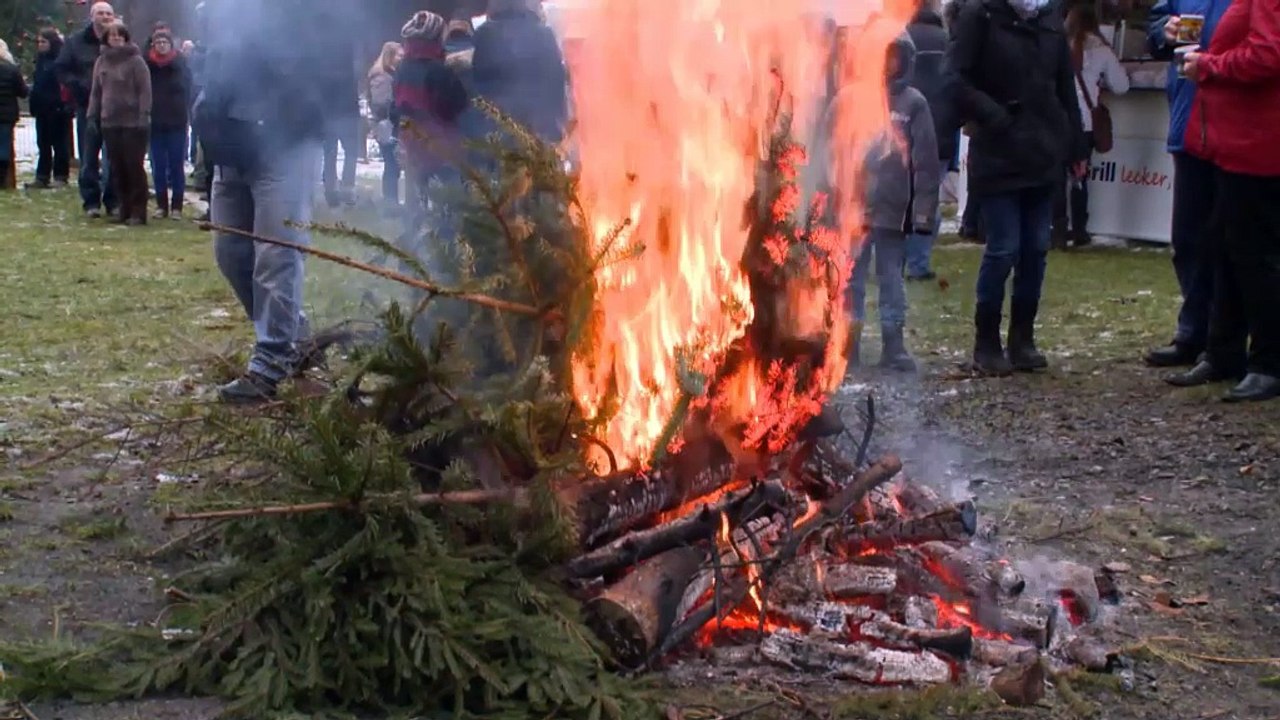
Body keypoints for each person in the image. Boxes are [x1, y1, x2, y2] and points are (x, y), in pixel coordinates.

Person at [197, 0, 354, 402]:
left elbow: (321, 68)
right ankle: (295, 339)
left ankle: (272, 360)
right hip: (230, 147)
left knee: (277, 253)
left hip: (284, 142)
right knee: (230, 252)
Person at [947, 0, 1088, 376]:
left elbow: (1065, 87)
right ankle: (987, 342)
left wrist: (1075, 145)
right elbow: (955, 79)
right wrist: (994, 116)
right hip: (998, 151)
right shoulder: (980, 14)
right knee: (1004, 249)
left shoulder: (1049, 17)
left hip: (1043, 152)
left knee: (1035, 250)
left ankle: (1022, 339)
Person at [1169, 0, 1280, 402]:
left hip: (1260, 147)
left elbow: (1268, 56)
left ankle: (1268, 363)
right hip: (1235, 146)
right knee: (1224, 248)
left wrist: (1210, 65)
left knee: (1255, 256)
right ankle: (1224, 352)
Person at [1143, 0, 1232, 368]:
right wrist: (1163, 30)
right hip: (1189, 122)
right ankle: (1193, 332)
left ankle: (1224, 340)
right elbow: (1157, 25)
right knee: (1188, 239)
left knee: (1231, 244)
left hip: (1234, 130)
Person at [849, 34, 941, 372]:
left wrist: (921, 214)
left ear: (906, 61)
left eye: (895, 58)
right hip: (853, 212)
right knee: (850, 284)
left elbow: (927, 163)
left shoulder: (913, 103)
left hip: (893, 212)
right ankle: (847, 347)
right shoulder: (852, 98)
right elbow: (830, 150)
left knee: (891, 281)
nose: (889, 66)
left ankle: (893, 345)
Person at [1055, 4, 1128, 249]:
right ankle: (1079, 228)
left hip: (1057, 118)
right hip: (1084, 121)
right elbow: (1121, 86)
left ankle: (1057, 226)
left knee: (1055, 176)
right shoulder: (1100, 50)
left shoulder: (1056, 46)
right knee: (1080, 175)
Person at [904, 0, 956, 281]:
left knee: (900, 198)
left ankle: (895, 259)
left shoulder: (900, 38)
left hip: (901, 131)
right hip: (940, 134)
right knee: (929, 199)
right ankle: (919, 263)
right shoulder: (947, 41)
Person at [472, 0, 568, 144]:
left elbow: (479, 81)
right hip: (541, 125)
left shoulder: (484, 35)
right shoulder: (543, 34)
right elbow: (557, 79)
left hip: (500, 126)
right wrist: (559, 119)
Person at [56, 1, 119, 218]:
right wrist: (79, 88)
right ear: (92, 16)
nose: (105, 17)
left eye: (108, 13)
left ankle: (113, 200)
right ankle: (91, 201)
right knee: (89, 157)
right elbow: (62, 69)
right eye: (100, 13)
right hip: (88, 107)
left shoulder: (119, 40)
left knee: (114, 158)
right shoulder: (75, 42)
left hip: (116, 110)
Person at [394, 11, 469, 191]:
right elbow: (454, 106)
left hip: (410, 142)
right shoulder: (438, 70)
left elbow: (395, 107)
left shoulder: (402, 68)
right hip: (440, 144)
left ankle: (415, 218)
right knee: (448, 196)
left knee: (418, 193)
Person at [88, 21, 152, 225]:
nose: (115, 38)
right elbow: (96, 92)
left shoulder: (136, 61)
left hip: (133, 123)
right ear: (106, 38)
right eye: (111, 35)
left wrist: (144, 114)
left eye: (119, 35)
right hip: (109, 121)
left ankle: (138, 211)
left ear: (126, 37)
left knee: (134, 166)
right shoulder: (101, 61)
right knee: (116, 167)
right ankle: (123, 208)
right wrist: (92, 114)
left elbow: (145, 90)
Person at [145, 28, 192, 219]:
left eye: (165, 42)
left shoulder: (181, 64)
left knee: (176, 165)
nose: (162, 46)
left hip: (177, 122)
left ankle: (177, 207)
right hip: (155, 122)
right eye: (158, 43)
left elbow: (188, 89)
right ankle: (161, 205)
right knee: (158, 165)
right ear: (153, 45)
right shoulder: (147, 65)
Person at [27, 30, 72, 189]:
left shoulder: (59, 61)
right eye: (39, 42)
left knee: (60, 143)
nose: (40, 45)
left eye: (44, 42)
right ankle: (42, 175)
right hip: (42, 108)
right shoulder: (40, 61)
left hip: (58, 108)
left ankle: (61, 175)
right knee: (43, 143)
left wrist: (64, 104)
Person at [321, 35, 361, 208]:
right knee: (350, 152)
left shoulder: (324, 71)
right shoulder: (349, 73)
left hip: (330, 114)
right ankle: (347, 189)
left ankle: (331, 189)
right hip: (346, 114)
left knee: (330, 154)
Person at [367, 41, 403, 208]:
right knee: (391, 165)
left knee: (394, 165)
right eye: (399, 55)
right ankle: (390, 202)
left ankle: (392, 202)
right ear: (390, 56)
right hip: (385, 125)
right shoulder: (381, 76)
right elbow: (380, 103)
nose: (401, 59)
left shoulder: (391, 74)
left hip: (391, 123)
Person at [0, 39, 28, 188]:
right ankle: (4, 179)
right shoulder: (11, 69)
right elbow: (22, 92)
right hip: (6, 115)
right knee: (4, 146)